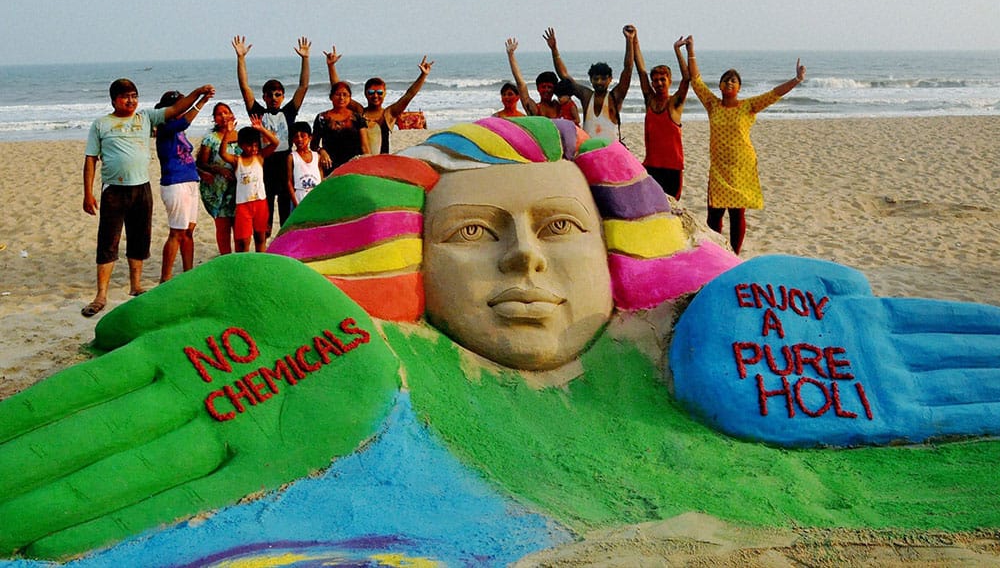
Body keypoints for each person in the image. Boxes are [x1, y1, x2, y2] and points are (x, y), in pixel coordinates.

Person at [6, 117, 1000, 562]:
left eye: (560, 228)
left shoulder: (710, 347)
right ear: (410, 262)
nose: (525, 262)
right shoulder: (355, 367)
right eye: (476, 235)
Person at [81, 79, 214, 317]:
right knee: (108, 241)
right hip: (114, 189)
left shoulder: (145, 118)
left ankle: (136, 285)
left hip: (141, 188)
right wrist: (87, 193)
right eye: (125, 96)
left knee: (139, 238)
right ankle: (101, 294)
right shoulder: (101, 124)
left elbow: (176, 110)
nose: (130, 100)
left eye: (134, 95)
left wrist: (198, 93)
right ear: (113, 100)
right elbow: (91, 159)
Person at [688, 36, 806, 254]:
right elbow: (695, 80)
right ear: (720, 86)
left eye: (734, 80)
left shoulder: (748, 106)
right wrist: (690, 50)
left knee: (736, 213)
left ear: (739, 87)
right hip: (719, 167)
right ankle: (716, 252)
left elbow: (774, 94)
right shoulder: (713, 105)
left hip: (742, 166)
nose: (729, 82)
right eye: (726, 79)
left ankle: (734, 253)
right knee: (714, 212)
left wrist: (796, 80)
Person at [233, 36, 311, 234]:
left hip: (285, 166)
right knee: (264, 217)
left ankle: (284, 248)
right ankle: (263, 245)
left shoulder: (289, 112)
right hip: (264, 166)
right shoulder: (258, 112)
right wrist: (241, 58)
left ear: (283, 96)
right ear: (264, 97)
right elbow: (245, 88)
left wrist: (305, 58)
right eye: (270, 95)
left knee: (286, 215)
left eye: (278, 95)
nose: (274, 98)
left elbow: (303, 87)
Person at [325, 46, 434, 156]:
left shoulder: (389, 114)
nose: (375, 96)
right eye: (371, 92)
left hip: (382, 165)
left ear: (385, 93)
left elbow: (409, 95)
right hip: (361, 164)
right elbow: (338, 91)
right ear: (365, 94)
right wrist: (331, 66)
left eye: (379, 93)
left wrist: (423, 75)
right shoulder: (359, 112)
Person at [153, 89, 213, 283]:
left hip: (189, 181)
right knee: (177, 232)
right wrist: (201, 99)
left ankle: (188, 273)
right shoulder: (165, 127)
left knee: (188, 231)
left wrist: (201, 173)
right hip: (175, 183)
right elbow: (186, 119)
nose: (184, 107)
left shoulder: (178, 131)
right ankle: (165, 277)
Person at [544, 25, 635, 141]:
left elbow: (628, 68)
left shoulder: (615, 96)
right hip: (588, 151)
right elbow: (564, 75)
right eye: (596, 78)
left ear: (610, 79)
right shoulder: (586, 96)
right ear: (591, 79)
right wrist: (554, 50)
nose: (599, 82)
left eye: (603, 78)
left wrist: (629, 40)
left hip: (610, 151)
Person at [634, 32, 691, 200]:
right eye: (656, 80)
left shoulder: (674, 104)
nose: (659, 83)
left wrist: (678, 50)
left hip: (672, 169)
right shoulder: (649, 101)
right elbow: (641, 71)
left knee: (671, 208)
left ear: (669, 81)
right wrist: (634, 40)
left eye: (662, 80)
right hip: (651, 166)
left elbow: (687, 79)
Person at [219, 117, 279, 252]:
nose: (253, 148)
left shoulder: (260, 157)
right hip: (243, 205)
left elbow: (275, 143)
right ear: (241, 145)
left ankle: (260, 262)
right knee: (245, 240)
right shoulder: (237, 160)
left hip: (260, 203)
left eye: (256, 145)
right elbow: (222, 153)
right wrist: (228, 133)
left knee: (260, 237)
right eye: (249, 145)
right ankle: (247, 265)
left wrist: (261, 129)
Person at [197, 103, 240, 255]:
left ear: (232, 115)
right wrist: (218, 169)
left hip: (239, 188)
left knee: (239, 228)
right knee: (223, 227)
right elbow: (201, 162)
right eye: (219, 114)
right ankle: (225, 258)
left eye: (226, 113)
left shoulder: (240, 136)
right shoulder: (210, 139)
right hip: (218, 190)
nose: (223, 116)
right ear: (214, 119)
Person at [312, 82, 370, 176]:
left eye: (345, 95)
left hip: (354, 165)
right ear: (331, 97)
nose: (341, 98)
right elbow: (313, 145)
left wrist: (367, 163)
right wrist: (322, 151)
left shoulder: (357, 118)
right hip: (331, 166)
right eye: (338, 94)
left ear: (350, 98)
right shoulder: (321, 118)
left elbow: (365, 146)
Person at [504, 38, 560, 118]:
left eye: (550, 87)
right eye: (544, 87)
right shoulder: (534, 108)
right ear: (538, 88)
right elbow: (521, 84)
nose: (546, 90)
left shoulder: (559, 106)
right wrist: (511, 55)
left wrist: (554, 49)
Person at [286, 121, 322, 206]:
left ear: (310, 137)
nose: (299, 139)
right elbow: (289, 182)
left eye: (303, 136)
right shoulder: (292, 157)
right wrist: (295, 202)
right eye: (296, 137)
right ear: (292, 139)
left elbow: (321, 179)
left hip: (316, 197)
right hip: (299, 197)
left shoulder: (317, 156)